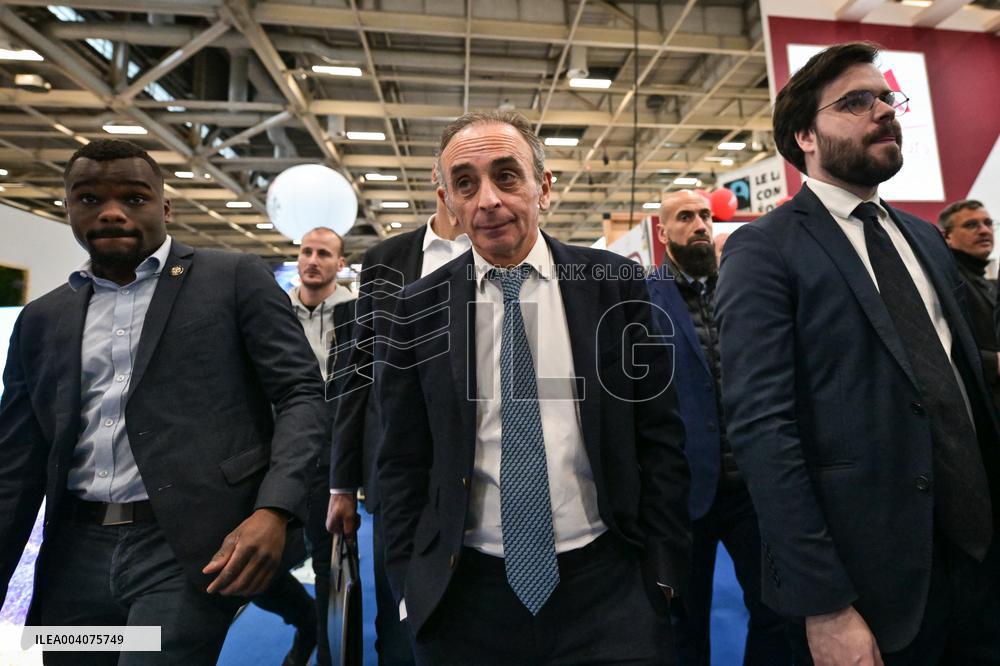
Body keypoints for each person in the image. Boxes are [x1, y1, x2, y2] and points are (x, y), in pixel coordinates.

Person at [716, 42, 1000, 666]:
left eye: (887, 98)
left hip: (980, 556)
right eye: (855, 102)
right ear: (805, 137)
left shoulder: (924, 238)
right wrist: (824, 603)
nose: (884, 111)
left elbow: (946, 374)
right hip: (872, 580)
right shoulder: (764, 250)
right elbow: (762, 428)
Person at [375, 110, 691, 665]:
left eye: (506, 176)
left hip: (609, 587)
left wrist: (660, 571)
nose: (488, 200)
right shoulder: (417, 308)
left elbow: (659, 435)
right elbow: (400, 459)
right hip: (464, 599)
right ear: (448, 202)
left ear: (544, 187)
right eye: (465, 184)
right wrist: (410, 586)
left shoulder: (614, 286)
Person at [0, 139, 326, 664]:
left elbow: (301, 392)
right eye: (89, 199)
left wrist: (275, 509)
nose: (111, 212)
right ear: (68, 207)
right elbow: (16, 462)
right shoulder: (41, 319)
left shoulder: (233, 278)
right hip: (74, 557)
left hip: (183, 548)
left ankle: (305, 619)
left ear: (165, 206)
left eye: (134, 198)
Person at [329, 181, 469, 665]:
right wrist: (342, 483)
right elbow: (359, 370)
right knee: (398, 627)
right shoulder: (385, 259)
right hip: (398, 476)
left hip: (480, 475)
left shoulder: (504, 250)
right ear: (439, 181)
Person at [646, 190, 790, 665]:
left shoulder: (743, 288)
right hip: (683, 492)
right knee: (684, 623)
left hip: (750, 485)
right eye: (685, 217)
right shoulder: (643, 298)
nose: (700, 225)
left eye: (705, 215)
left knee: (775, 611)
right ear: (663, 231)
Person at [253, 227, 358, 666]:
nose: (313, 260)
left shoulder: (358, 314)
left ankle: (333, 657)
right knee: (256, 569)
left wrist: (350, 472)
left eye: (324, 254)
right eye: (307, 252)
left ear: (340, 263)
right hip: (275, 454)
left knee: (331, 569)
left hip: (331, 459)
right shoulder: (272, 309)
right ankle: (308, 623)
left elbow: (362, 394)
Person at [938, 200, 999, 409]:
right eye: (971, 225)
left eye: (988, 223)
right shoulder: (946, 279)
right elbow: (941, 343)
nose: (984, 231)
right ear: (947, 236)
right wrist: (993, 362)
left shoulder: (987, 281)